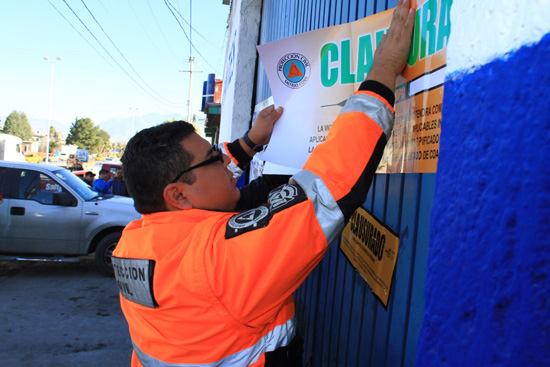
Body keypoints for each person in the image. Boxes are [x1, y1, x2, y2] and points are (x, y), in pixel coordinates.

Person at [112, 1, 415, 366]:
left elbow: (210, 188)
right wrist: (383, 70)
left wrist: (250, 143)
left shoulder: (135, 241)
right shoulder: (220, 262)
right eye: (215, 159)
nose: (228, 165)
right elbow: (328, 185)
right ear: (177, 195)